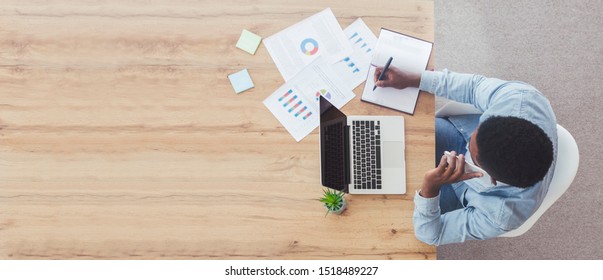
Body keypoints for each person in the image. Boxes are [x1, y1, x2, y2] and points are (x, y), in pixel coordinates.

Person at [374, 66, 557, 245]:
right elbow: (472, 87)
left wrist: (430, 188)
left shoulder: (501, 215)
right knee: (397, 130)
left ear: (492, 178)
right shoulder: (520, 98)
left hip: (461, 192)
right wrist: (414, 79)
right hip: (459, 135)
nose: (466, 150)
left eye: (472, 153)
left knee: (393, 210)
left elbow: (432, 234)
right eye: (477, 132)